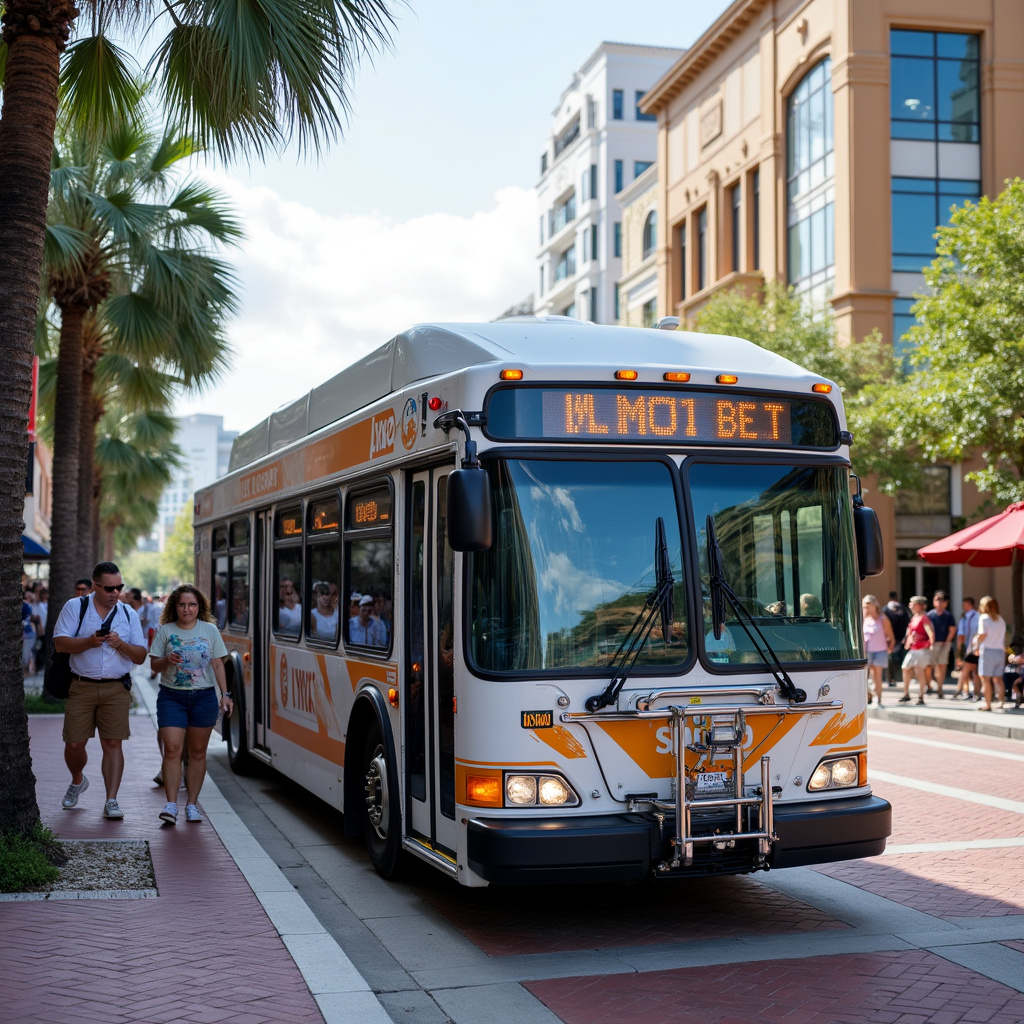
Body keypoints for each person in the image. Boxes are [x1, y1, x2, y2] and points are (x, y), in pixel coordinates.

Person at [54, 561, 147, 820]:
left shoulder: (128, 613)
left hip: (116, 688)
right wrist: (88, 642)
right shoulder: (75, 607)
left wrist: (120, 644)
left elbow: (140, 656)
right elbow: (60, 644)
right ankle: (77, 780)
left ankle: (111, 800)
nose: (115, 592)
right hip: (81, 685)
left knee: (113, 743)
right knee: (74, 743)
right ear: (95, 586)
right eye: (109, 588)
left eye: (119, 587)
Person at [149, 584, 232, 825]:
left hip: (203, 698)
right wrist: (167, 660)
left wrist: (225, 694)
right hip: (171, 697)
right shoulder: (165, 630)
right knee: (172, 749)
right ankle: (171, 804)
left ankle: (192, 805)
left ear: (199, 607)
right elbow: (154, 665)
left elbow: (218, 664)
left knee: (197, 753)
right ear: (175, 607)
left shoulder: (209, 630)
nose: (187, 609)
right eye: (182, 604)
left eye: (192, 604)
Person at [899, 596, 935, 705]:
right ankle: (906, 694)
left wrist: (931, 644)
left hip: (922, 649)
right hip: (913, 648)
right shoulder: (914, 617)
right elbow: (910, 631)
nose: (910, 606)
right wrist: (907, 640)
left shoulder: (924, 618)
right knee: (905, 668)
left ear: (920, 605)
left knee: (919, 672)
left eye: (913, 604)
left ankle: (921, 696)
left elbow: (930, 633)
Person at [974, 595, 1007, 712]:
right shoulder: (1001, 619)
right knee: (998, 679)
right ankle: (1001, 702)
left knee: (985, 679)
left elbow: (982, 634)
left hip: (988, 650)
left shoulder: (984, 618)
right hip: (1000, 651)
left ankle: (988, 704)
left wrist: (976, 645)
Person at [862, 594, 895, 706]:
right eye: (864, 605)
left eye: (868, 604)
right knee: (868, 675)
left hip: (880, 650)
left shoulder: (882, 618)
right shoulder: (864, 619)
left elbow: (890, 635)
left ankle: (878, 697)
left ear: (874, 605)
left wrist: (890, 647)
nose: (866, 607)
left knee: (877, 674)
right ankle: (870, 695)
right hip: (867, 651)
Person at [925, 590, 956, 697]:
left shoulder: (948, 616)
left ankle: (939, 688)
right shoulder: (930, 615)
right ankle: (929, 685)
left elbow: (952, 630)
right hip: (932, 644)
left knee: (942, 666)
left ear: (945, 603)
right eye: (937, 600)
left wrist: (947, 641)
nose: (939, 603)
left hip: (944, 643)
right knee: (929, 665)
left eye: (941, 601)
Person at [954, 597, 980, 700]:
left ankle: (961, 691)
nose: (963, 607)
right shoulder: (965, 618)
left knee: (967, 670)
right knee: (973, 671)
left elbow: (961, 636)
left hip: (972, 648)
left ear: (970, 604)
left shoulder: (976, 617)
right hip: (972, 647)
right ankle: (972, 692)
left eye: (964, 605)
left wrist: (959, 652)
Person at [883, 592, 910, 687]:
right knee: (894, 660)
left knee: (893, 660)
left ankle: (892, 679)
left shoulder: (886, 610)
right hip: (898, 639)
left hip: (892, 639)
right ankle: (893, 679)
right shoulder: (902, 609)